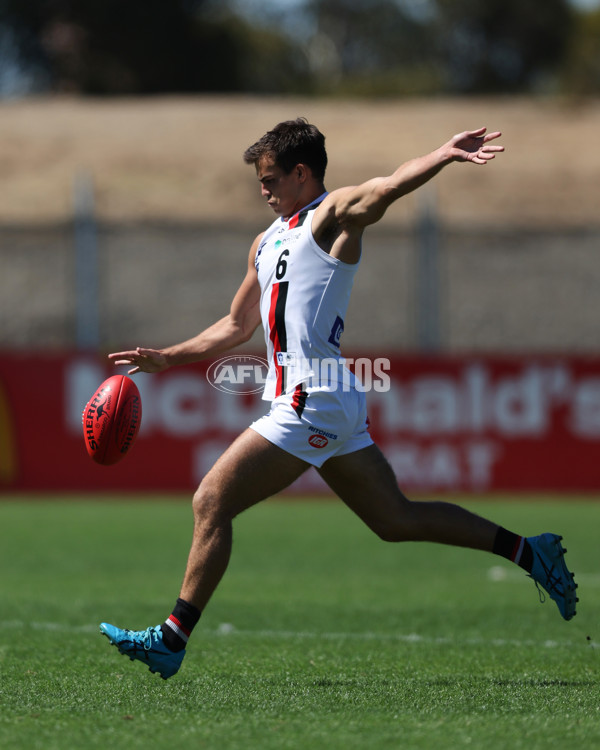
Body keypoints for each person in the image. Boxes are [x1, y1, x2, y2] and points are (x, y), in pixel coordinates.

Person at [100, 118, 577, 679]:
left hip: (312, 401)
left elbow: (388, 186)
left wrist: (444, 154)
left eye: (272, 177)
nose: (263, 189)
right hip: (324, 402)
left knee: (211, 501)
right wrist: (169, 356)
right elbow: (235, 324)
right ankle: (531, 551)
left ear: (303, 174)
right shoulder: (267, 239)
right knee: (394, 519)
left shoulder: (329, 217)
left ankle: (171, 639)